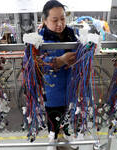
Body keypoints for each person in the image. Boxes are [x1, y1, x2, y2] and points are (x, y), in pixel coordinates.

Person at [38, 0, 78, 150]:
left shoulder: (72, 34)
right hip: (52, 90)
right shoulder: (40, 39)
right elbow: (35, 64)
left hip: (70, 85)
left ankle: (66, 137)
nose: (60, 23)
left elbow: (83, 51)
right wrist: (58, 61)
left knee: (67, 114)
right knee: (53, 117)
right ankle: (52, 140)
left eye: (62, 18)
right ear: (45, 20)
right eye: (54, 20)